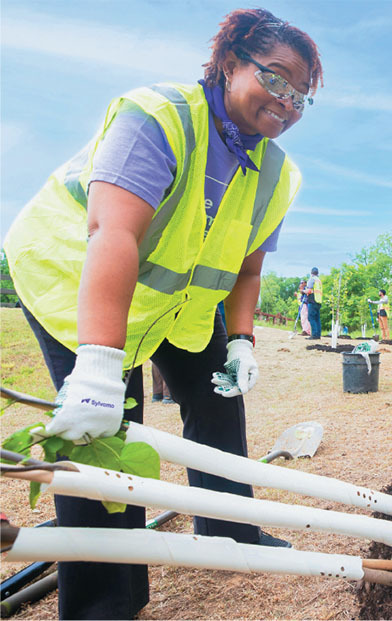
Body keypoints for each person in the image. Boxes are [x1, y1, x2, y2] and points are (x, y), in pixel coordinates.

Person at [3, 8, 323, 618]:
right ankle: (104, 603)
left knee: (218, 405)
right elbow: (113, 234)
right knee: (101, 435)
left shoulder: (278, 174)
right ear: (229, 62)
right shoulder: (160, 116)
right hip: (77, 277)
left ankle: (230, 533)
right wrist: (99, 367)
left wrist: (241, 341)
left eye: (302, 95)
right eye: (275, 78)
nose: (287, 101)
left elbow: (247, 270)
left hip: (177, 306)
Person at [306, 266, 323, 339]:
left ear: (311, 273)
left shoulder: (312, 279)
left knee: (311, 317)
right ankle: (318, 335)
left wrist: (303, 291)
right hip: (318, 301)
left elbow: (309, 290)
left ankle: (314, 335)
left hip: (313, 300)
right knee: (317, 319)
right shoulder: (319, 280)